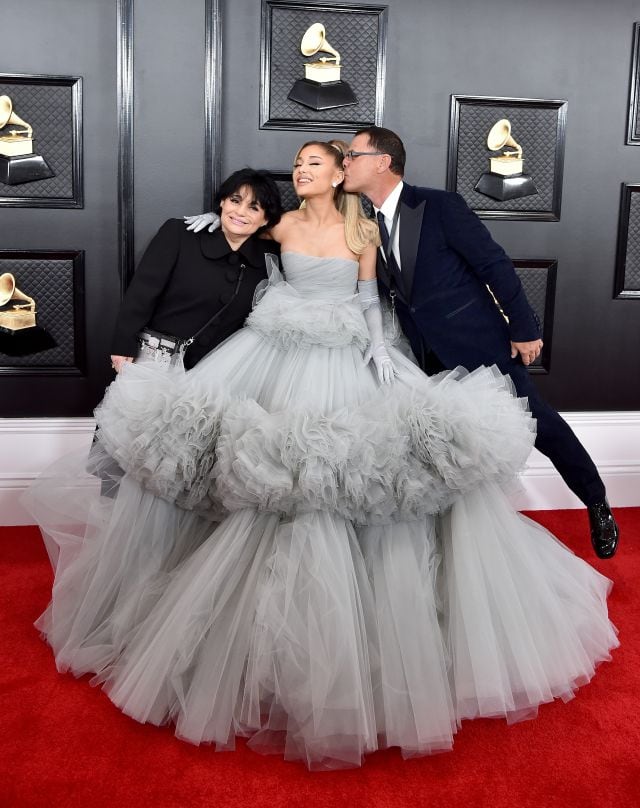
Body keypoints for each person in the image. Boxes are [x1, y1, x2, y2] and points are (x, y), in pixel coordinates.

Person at [25, 139, 618, 771]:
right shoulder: (277, 224)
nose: (302, 171)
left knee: (374, 469)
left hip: (390, 347)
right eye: (299, 165)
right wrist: (218, 220)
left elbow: (382, 294)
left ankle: (595, 501)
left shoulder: (387, 220)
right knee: (261, 466)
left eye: (320, 162)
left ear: (349, 171)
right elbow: (240, 231)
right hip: (276, 347)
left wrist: (379, 350)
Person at [110, 167, 282, 373]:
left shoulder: (269, 259)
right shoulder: (179, 234)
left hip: (219, 374)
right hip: (156, 362)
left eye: (254, 208)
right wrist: (122, 344)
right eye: (235, 201)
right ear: (222, 202)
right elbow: (142, 293)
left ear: (265, 219)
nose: (240, 212)